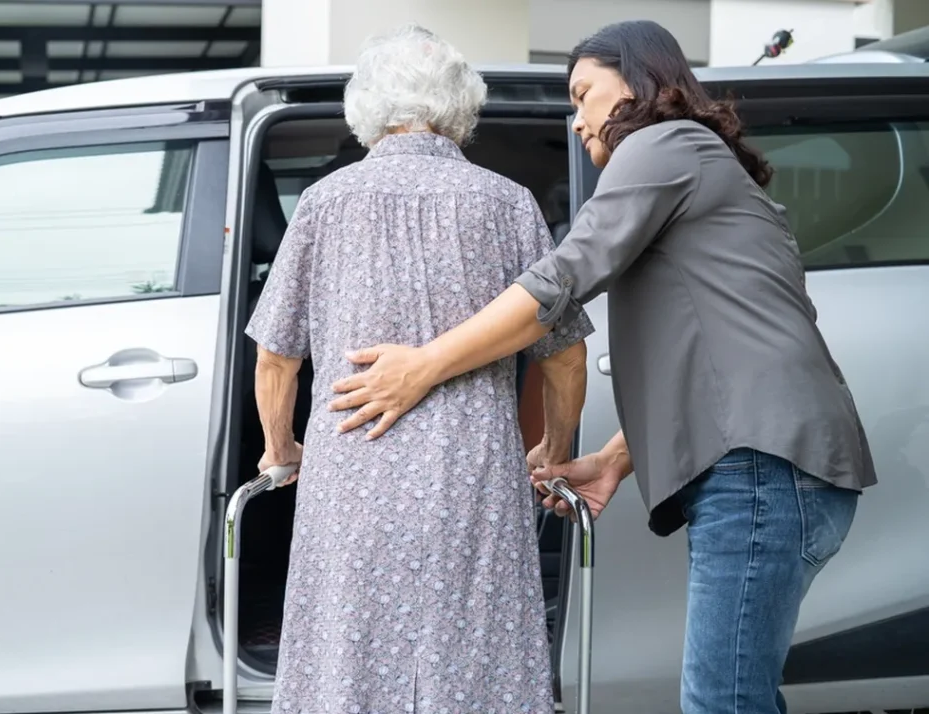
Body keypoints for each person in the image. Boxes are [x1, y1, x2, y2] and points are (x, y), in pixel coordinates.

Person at [324, 20, 876, 714]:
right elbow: (715, 356)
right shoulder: (700, 166)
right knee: (738, 698)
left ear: (642, 81)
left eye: (584, 94)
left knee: (723, 703)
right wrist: (615, 458)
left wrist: (424, 365)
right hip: (778, 470)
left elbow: (559, 282)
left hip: (761, 470)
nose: (577, 117)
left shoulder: (662, 143)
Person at [247, 24, 593, 714]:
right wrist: (554, 452)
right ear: (461, 106)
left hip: (353, 475)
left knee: (349, 655)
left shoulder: (324, 203)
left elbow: (277, 357)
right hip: (473, 483)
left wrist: (282, 449)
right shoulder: (507, 203)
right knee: (475, 653)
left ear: (366, 107)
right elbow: (565, 357)